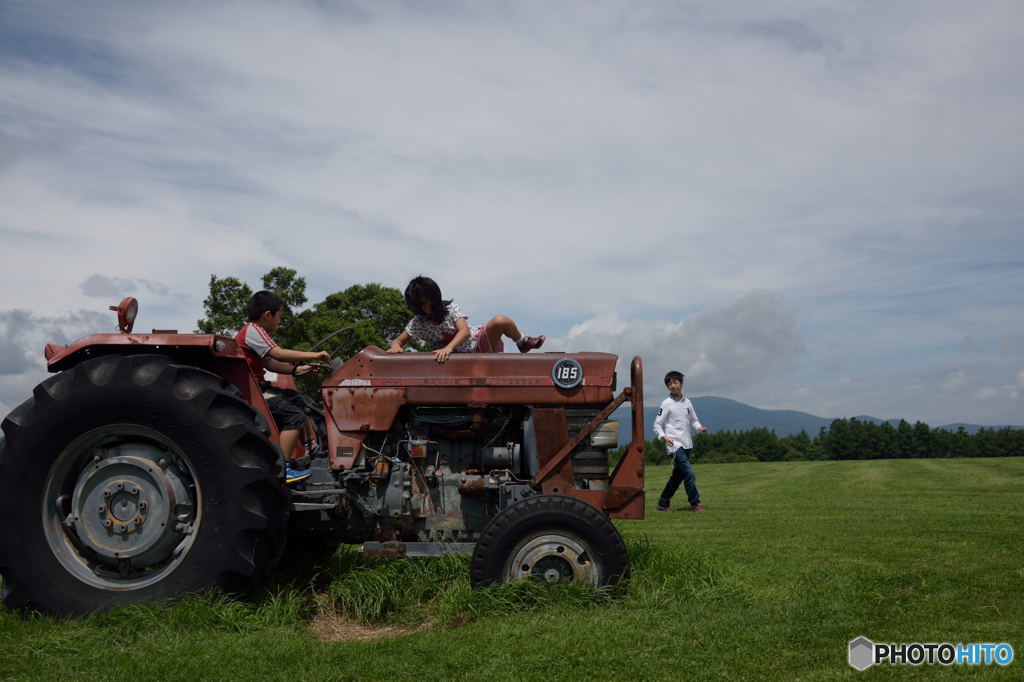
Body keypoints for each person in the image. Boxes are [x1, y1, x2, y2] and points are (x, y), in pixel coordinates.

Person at [235, 291, 330, 484]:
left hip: (260, 387)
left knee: (300, 401)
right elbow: (278, 354)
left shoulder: (255, 333)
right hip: (252, 392)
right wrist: (314, 355)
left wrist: (299, 369)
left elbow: (270, 364)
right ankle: (283, 469)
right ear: (268, 315)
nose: (279, 321)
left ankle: (312, 448)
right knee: (293, 416)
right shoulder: (253, 331)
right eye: (279, 316)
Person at [387, 276, 545, 363]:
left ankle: (522, 341)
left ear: (433, 297)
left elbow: (464, 331)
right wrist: (395, 346)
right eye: (415, 305)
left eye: (422, 303)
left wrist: (448, 348)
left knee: (501, 321)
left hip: (478, 342)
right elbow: (398, 340)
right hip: (458, 360)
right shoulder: (419, 323)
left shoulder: (450, 308)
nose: (420, 309)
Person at [653, 370, 708, 512]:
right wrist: (664, 437)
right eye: (669, 384)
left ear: (681, 384)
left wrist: (699, 428)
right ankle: (695, 504)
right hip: (674, 445)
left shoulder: (687, 402)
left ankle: (662, 504)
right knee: (689, 473)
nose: (672, 386)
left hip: (687, 444)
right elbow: (657, 424)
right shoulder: (666, 403)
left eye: (675, 382)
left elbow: (694, 420)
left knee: (677, 477)